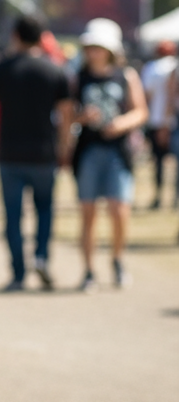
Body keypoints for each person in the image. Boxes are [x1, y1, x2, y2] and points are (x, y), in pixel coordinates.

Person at [0, 15, 73, 291]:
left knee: (13, 216)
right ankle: (41, 257)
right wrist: (65, 147)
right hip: (44, 153)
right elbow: (66, 114)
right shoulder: (55, 71)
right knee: (45, 210)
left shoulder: (2, 69)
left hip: (9, 153)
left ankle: (18, 273)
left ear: (16, 35)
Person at [72, 18, 148, 292]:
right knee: (88, 211)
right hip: (89, 150)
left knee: (119, 209)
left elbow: (140, 111)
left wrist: (122, 124)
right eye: (90, 46)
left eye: (99, 47)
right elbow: (68, 114)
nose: (94, 52)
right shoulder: (78, 76)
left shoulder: (126, 75)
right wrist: (82, 117)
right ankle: (89, 270)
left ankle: (117, 259)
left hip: (118, 152)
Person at [141, 41, 177, 209]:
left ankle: (158, 197)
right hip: (173, 120)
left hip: (157, 119)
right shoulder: (173, 66)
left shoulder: (152, 68)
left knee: (158, 161)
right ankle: (174, 199)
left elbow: (147, 94)